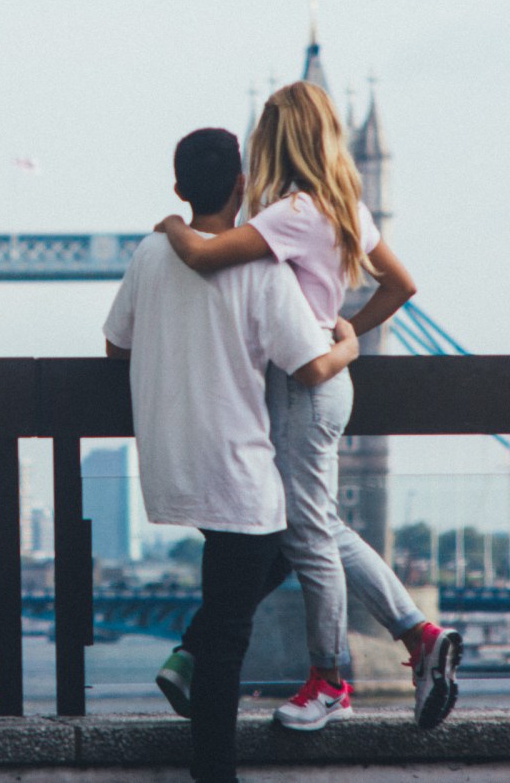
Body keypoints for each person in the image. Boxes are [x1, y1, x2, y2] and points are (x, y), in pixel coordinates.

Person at [153, 81, 461, 731]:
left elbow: (206, 258)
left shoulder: (289, 214)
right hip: (325, 383)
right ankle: (419, 634)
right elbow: (401, 284)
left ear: (274, 141)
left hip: (300, 383)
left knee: (308, 535)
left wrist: (175, 225)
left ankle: (329, 678)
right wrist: (349, 328)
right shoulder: (345, 203)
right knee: (318, 525)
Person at [104, 127, 359, 783]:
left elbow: (116, 346)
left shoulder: (149, 252)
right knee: (238, 620)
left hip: (168, 460)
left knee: (234, 596)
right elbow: (309, 366)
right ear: (244, 187)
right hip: (240, 469)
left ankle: (186, 654)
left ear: (180, 189)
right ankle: (213, 767)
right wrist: (351, 343)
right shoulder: (261, 267)